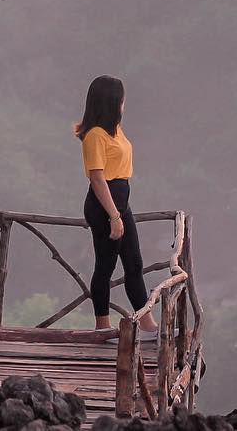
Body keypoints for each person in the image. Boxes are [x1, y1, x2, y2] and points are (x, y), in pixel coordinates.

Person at [74, 74, 158, 336]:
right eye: (121, 99)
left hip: (121, 200)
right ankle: (102, 325)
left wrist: (119, 212)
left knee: (134, 263)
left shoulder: (116, 131)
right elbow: (98, 178)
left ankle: (146, 321)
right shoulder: (95, 136)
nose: (125, 103)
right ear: (112, 101)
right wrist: (113, 216)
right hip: (104, 204)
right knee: (106, 265)